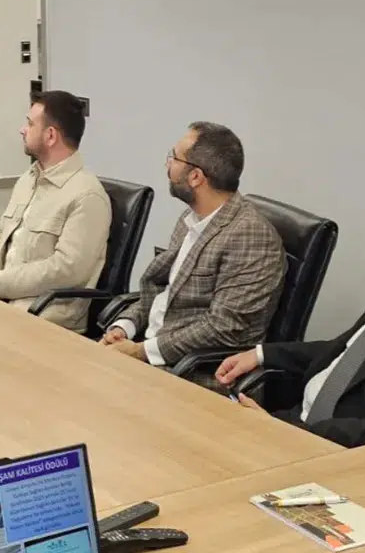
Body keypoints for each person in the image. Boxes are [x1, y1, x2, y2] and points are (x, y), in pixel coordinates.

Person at [216, 160, 365, 447]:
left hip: (335, 449)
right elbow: (347, 350)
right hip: (296, 421)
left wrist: (284, 432)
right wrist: (262, 354)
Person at [104, 122, 285, 389]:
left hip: (193, 373)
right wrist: (124, 327)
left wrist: (141, 351)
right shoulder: (191, 218)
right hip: (151, 350)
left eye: (174, 157)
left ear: (196, 177)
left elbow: (222, 327)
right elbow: (164, 293)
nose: (167, 165)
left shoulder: (251, 236)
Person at [0, 91, 111, 333]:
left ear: (50, 135)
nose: (22, 130)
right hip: (2, 298)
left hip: (41, 315)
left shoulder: (88, 196)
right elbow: (1, 231)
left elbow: (65, 270)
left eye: (30, 124)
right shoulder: (29, 178)